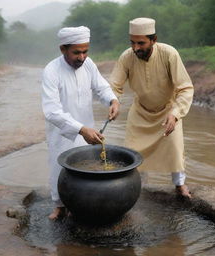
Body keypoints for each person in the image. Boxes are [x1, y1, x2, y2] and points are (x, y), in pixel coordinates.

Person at [110, 18, 193, 198]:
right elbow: (114, 86)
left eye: (141, 43)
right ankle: (138, 188)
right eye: (132, 42)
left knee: (175, 149)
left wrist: (176, 114)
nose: (135, 48)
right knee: (134, 152)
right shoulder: (127, 57)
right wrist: (114, 102)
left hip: (168, 112)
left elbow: (185, 88)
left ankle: (180, 186)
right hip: (139, 113)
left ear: (154, 40)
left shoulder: (169, 54)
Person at [41, 26, 119, 220]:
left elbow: (101, 87)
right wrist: (80, 129)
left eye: (85, 51)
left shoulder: (89, 64)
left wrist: (112, 101)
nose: (82, 57)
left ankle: (80, 205)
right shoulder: (51, 71)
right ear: (63, 49)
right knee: (59, 168)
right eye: (77, 52)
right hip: (62, 132)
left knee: (85, 168)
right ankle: (59, 206)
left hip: (88, 129)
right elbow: (52, 111)